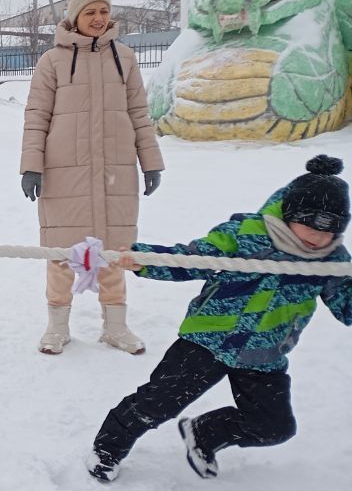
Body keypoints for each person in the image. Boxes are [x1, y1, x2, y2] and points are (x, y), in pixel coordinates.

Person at [88, 155, 351, 482]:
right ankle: (107, 448)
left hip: (263, 354)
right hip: (207, 341)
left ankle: (206, 432)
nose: (317, 236)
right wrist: (143, 260)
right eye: (309, 223)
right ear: (290, 214)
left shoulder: (334, 262)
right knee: (158, 403)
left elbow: (346, 305)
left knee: (274, 427)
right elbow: (194, 259)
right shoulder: (246, 234)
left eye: (329, 229)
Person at [20, 0, 166, 355]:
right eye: (90, 12)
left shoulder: (126, 58)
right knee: (61, 252)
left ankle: (115, 327)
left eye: (103, 11)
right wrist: (31, 166)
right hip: (64, 172)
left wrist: (151, 162)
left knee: (114, 252)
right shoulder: (52, 61)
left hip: (115, 171)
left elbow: (138, 114)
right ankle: (56, 327)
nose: (99, 19)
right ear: (74, 17)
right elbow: (36, 116)